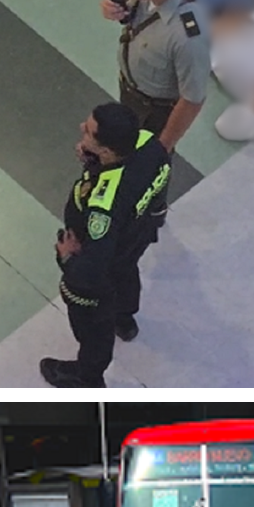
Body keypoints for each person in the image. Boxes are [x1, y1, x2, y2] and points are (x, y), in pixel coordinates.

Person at [41, 103, 172, 388]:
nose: (81, 129)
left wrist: (67, 260)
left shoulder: (104, 205)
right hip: (134, 237)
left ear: (107, 151)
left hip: (102, 256)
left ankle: (88, 376)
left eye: (88, 131)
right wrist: (93, 162)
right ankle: (125, 320)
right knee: (126, 273)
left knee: (92, 325)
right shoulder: (151, 144)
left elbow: (91, 269)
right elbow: (156, 182)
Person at [100, 0, 212, 153]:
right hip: (130, 92)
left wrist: (162, 147)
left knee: (143, 167)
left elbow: (192, 100)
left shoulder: (188, 36)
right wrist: (112, 6)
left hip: (155, 112)